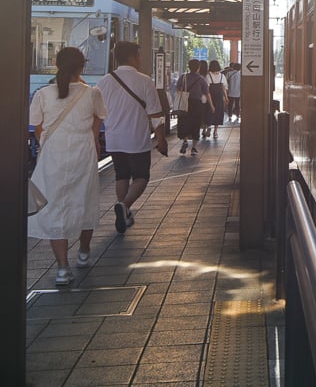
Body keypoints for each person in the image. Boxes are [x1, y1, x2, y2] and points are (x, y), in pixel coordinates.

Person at [27, 47, 107, 286]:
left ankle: (63, 268)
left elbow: (36, 125)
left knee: (55, 207)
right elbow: (99, 117)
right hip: (83, 154)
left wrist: (46, 142)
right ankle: (83, 252)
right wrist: (91, 138)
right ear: (82, 67)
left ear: (56, 65)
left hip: (53, 155)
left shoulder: (43, 94)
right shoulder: (92, 93)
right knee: (84, 201)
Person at [96, 41, 169, 234]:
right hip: (136, 138)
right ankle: (125, 205)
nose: (140, 59)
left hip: (114, 138)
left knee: (122, 175)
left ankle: (124, 212)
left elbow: (98, 113)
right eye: (139, 55)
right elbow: (155, 114)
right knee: (141, 177)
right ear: (131, 57)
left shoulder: (104, 81)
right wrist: (161, 139)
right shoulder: (145, 80)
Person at [176, 59, 210, 156]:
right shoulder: (201, 80)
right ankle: (194, 148)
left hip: (185, 103)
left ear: (189, 66)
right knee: (196, 123)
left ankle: (185, 141)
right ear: (198, 68)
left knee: (184, 122)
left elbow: (178, 89)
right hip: (197, 104)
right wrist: (211, 106)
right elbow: (207, 93)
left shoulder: (183, 77)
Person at [206, 60, 229, 138]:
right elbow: (224, 87)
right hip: (219, 97)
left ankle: (208, 127)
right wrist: (226, 97)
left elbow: (206, 88)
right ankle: (215, 132)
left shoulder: (208, 75)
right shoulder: (222, 76)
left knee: (209, 112)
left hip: (210, 97)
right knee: (218, 113)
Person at [198, 59, 212, 138]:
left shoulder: (198, 76)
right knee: (207, 113)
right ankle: (207, 128)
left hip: (198, 98)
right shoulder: (208, 76)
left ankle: (203, 129)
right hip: (207, 97)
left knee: (201, 114)